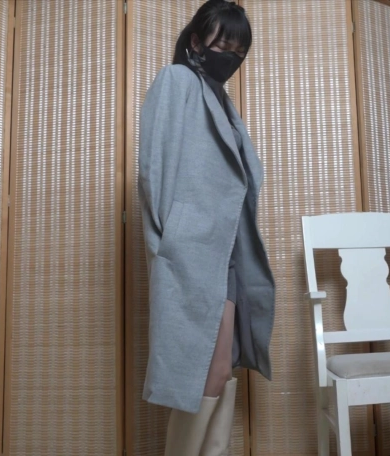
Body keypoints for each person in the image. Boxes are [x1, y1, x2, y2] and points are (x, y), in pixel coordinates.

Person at [138, 1, 275, 454]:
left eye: (239, 51)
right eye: (223, 44)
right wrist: (171, 239)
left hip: (227, 250)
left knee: (219, 370)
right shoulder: (176, 80)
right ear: (196, 41)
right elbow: (154, 168)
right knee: (204, 372)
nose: (230, 56)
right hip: (192, 249)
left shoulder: (222, 100)